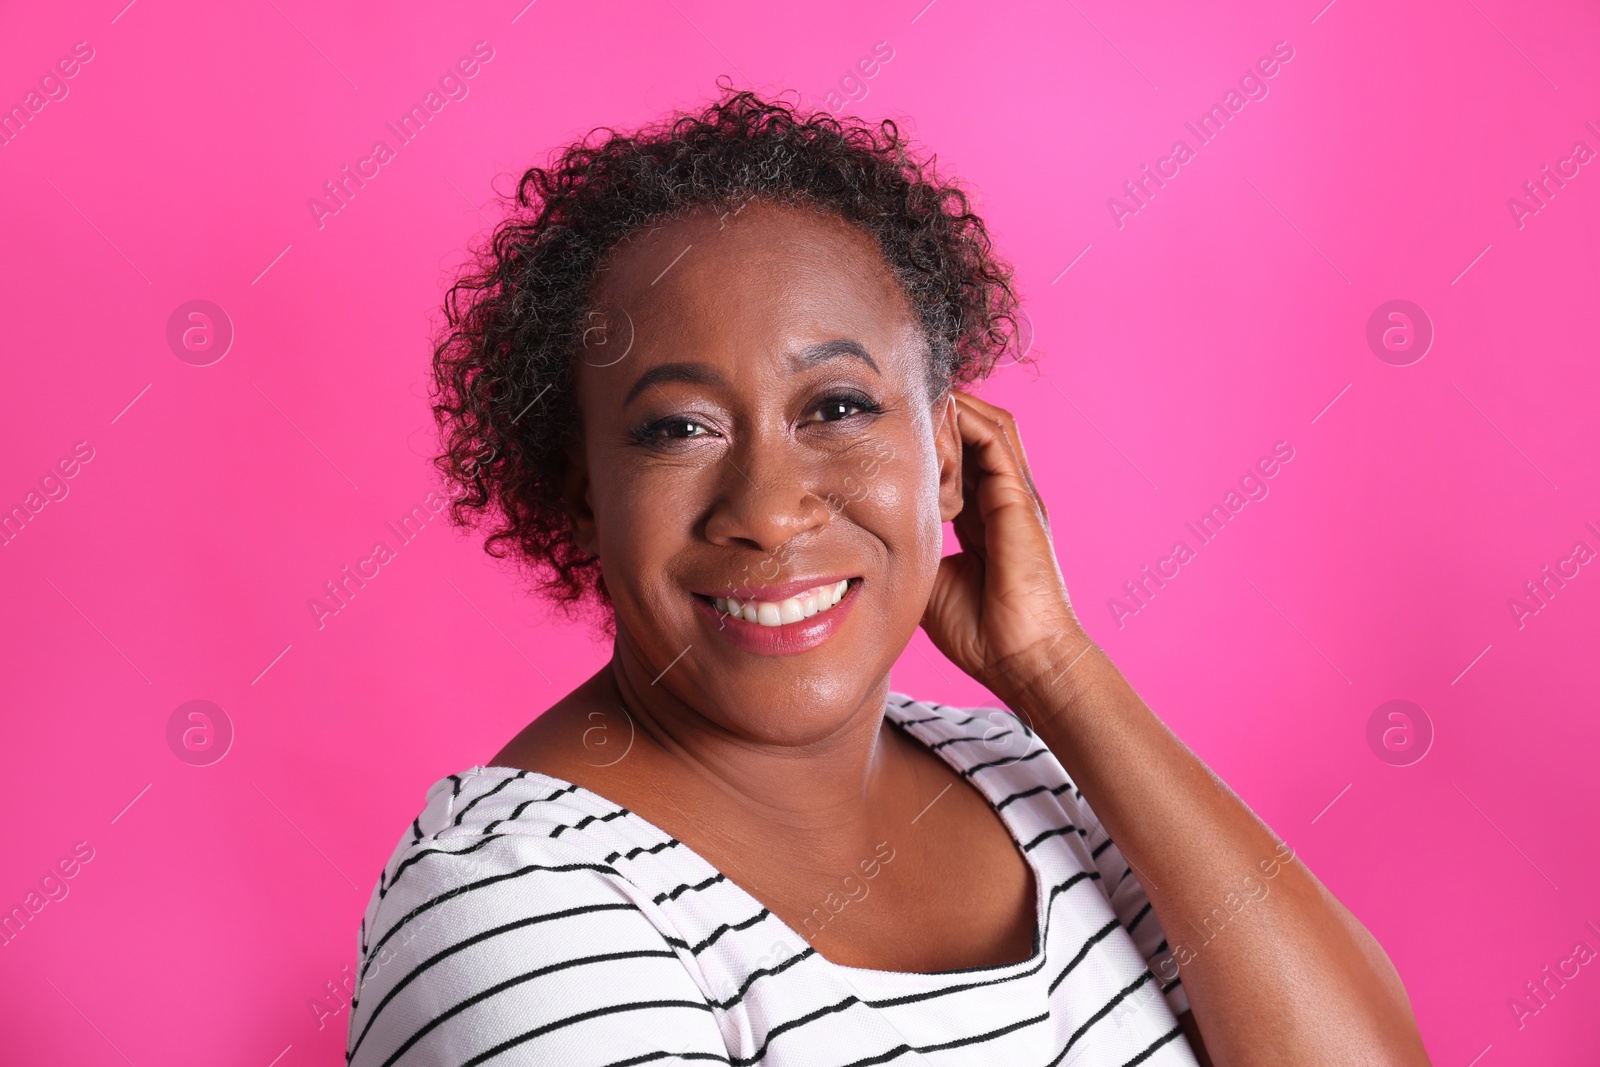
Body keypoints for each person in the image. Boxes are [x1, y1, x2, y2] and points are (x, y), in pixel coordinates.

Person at [345, 88, 1431, 1066]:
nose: (767, 506)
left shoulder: (1036, 777)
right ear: (583, 491)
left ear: (949, 456)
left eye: (838, 407)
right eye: (678, 427)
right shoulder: (510, 906)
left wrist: (1054, 667)